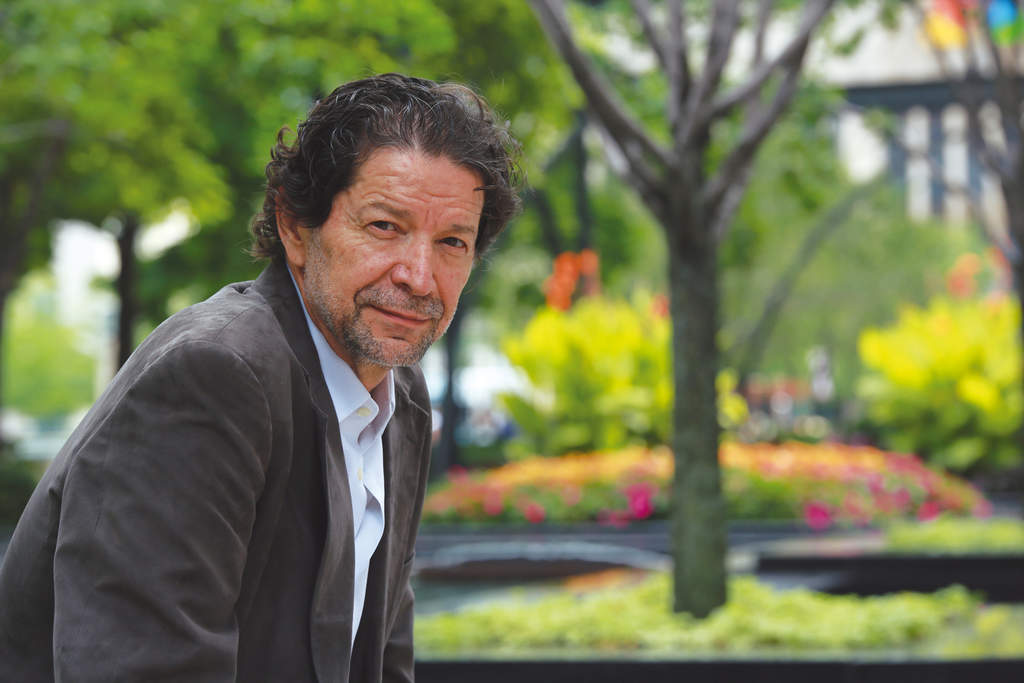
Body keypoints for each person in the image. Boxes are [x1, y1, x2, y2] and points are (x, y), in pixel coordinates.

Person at [0, 73, 522, 682]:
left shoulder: (399, 396)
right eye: (385, 227)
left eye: (452, 242)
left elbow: (381, 663)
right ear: (295, 226)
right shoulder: (213, 376)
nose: (419, 275)